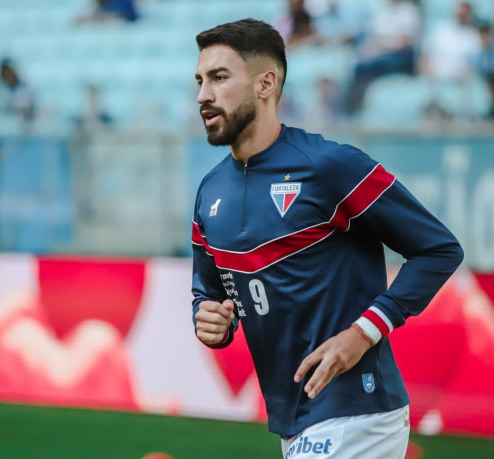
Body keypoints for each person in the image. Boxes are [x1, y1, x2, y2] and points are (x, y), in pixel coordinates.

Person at [190, 19, 463, 458]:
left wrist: (362, 333)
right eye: (200, 80)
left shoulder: (329, 166)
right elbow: (207, 292)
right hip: (291, 418)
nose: (203, 94)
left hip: (358, 409)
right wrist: (210, 320)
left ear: (266, 84)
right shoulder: (209, 193)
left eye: (220, 78)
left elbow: (438, 249)